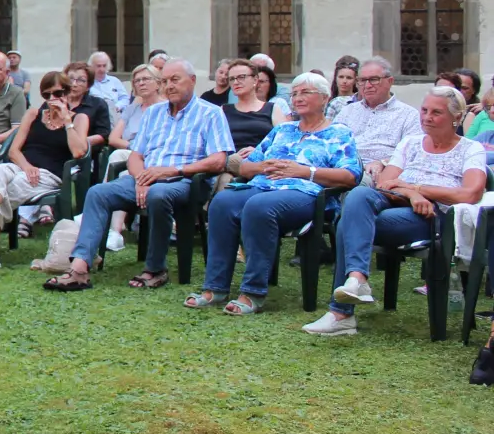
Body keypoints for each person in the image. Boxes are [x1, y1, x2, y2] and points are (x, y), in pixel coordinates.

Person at [304, 87, 488, 336]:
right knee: (359, 194)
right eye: (424, 110)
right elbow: (384, 184)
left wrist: (416, 188)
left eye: (436, 112)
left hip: (433, 217)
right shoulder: (410, 143)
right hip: (397, 204)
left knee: (348, 221)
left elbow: (470, 193)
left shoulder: (470, 149)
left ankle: (341, 313)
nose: (426, 117)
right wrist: (412, 194)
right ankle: (357, 280)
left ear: (456, 117)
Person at [45, 60, 233, 291]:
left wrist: (173, 171)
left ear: (192, 81)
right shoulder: (153, 113)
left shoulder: (210, 113)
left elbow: (218, 160)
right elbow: (136, 156)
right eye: (165, 81)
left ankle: (155, 268)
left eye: (175, 80)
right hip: (145, 177)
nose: (169, 86)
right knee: (98, 193)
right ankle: (80, 268)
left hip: (186, 181)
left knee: (158, 194)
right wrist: (142, 178)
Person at [188, 73, 361, 315]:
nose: (298, 98)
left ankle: (253, 292)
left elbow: (351, 176)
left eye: (305, 93)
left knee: (260, 206)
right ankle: (215, 287)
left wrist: (305, 171)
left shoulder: (339, 133)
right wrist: (261, 167)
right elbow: (244, 167)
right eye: (295, 93)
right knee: (223, 202)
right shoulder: (283, 130)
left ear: (324, 98)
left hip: (305, 193)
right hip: (262, 186)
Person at [0, 71, 89, 273]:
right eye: (47, 94)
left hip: (50, 175)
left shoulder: (79, 119)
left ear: (67, 93)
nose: (52, 99)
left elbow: (78, 151)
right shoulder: (34, 114)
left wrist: (66, 120)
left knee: (4, 191)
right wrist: (27, 167)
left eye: (57, 93)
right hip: (22, 167)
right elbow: (14, 150)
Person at [101, 64, 164, 252]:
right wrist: (134, 148)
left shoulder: (165, 108)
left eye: (146, 79)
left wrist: (136, 150)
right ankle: (115, 230)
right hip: (131, 151)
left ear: (158, 83)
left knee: (118, 158)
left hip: (153, 156)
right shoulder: (133, 108)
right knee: (121, 164)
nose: (141, 83)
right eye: (137, 81)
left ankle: (108, 219)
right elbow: (113, 138)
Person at [333, 57, 423, 185]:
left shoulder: (408, 115)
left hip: (378, 174)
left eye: (374, 80)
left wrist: (383, 162)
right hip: (342, 168)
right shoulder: (347, 111)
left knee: (357, 184)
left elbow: (413, 153)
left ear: (390, 81)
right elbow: (331, 143)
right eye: (362, 80)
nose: (368, 85)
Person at [225, 58, 283, 155]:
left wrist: (260, 151)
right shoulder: (223, 110)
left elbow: (284, 141)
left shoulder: (273, 109)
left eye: (241, 77)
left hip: (263, 161)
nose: (235, 82)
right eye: (231, 79)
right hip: (230, 162)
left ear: (255, 80)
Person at [62, 62, 112, 147]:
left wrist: (78, 142)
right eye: (70, 79)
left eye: (81, 80)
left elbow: (103, 135)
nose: (74, 84)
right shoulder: (55, 102)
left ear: (88, 86)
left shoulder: (98, 104)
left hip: (83, 151)